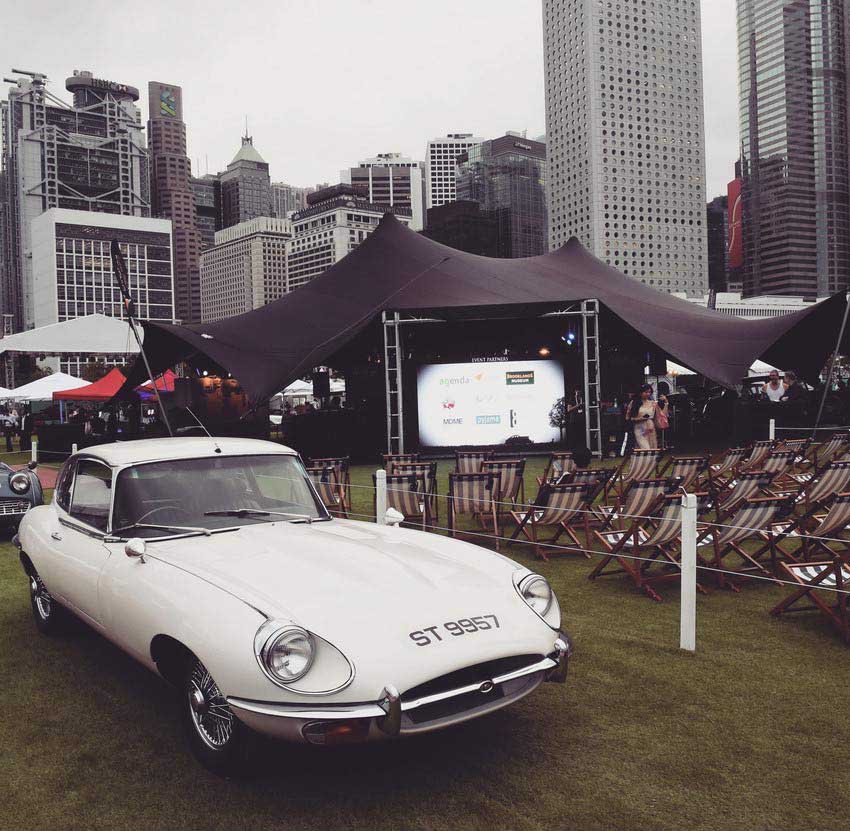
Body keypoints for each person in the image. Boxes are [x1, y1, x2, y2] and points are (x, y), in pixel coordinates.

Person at [625, 384, 666, 450]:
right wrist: (638, 418)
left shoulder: (653, 403)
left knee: (651, 448)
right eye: (646, 392)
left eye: (649, 392)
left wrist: (666, 403)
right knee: (645, 448)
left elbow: (662, 415)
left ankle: (647, 460)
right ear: (640, 392)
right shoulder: (634, 403)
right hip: (639, 428)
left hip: (650, 428)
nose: (648, 394)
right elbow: (627, 417)